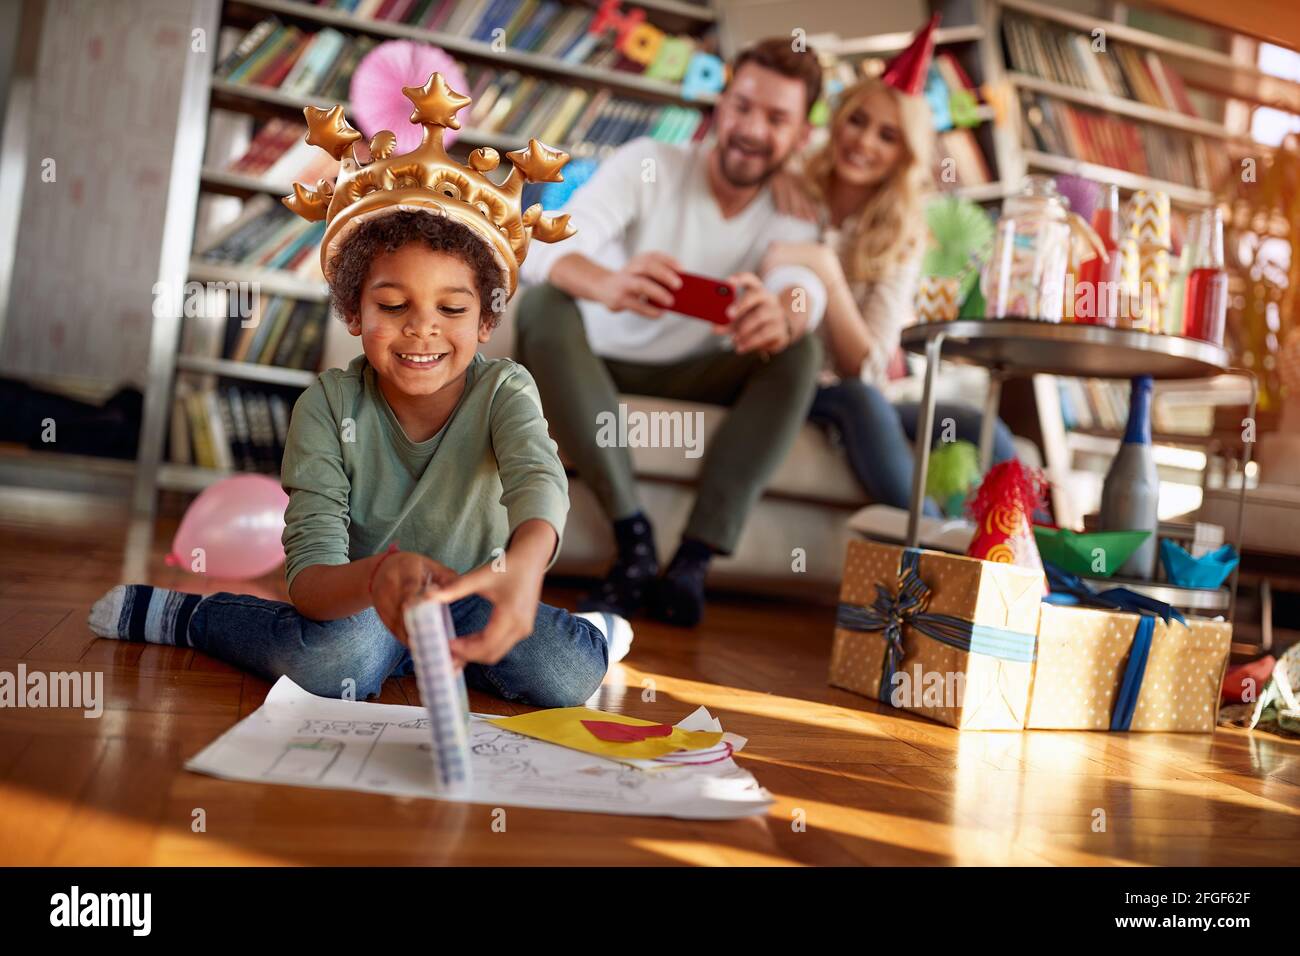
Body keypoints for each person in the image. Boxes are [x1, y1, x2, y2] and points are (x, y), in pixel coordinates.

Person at [87, 74, 629, 706]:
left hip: (470, 600)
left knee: (565, 674)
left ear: (486, 321)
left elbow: (540, 481)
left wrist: (526, 568)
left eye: (452, 310)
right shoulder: (327, 404)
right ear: (353, 313)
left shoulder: (506, 388)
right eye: (393, 303)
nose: (422, 326)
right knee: (333, 666)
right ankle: (191, 617)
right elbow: (310, 580)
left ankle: (585, 632)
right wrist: (378, 576)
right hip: (361, 604)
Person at [515, 38, 829, 627]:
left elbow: (803, 285)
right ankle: (633, 539)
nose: (752, 129)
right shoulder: (649, 162)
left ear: (800, 136)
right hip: (597, 363)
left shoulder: (795, 207)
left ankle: (694, 559)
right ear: (720, 105)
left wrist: (783, 312)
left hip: (699, 370)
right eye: (742, 107)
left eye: (776, 118)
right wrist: (607, 282)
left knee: (801, 349)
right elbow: (544, 246)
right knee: (545, 307)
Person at [764, 22, 1017, 517]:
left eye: (887, 135)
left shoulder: (902, 236)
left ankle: (1015, 552)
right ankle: (931, 537)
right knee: (859, 401)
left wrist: (825, 272)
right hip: (793, 382)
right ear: (838, 122)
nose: (864, 143)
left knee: (984, 429)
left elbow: (868, 362)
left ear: (905, 153)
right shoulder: (791, 189)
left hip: (859, 388)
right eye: (857, 121)